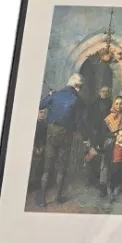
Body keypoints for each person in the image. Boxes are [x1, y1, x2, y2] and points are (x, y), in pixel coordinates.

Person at [36, 73, 86, 207]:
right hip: (67, 136)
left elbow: (40, 105)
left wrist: (49, 95)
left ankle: (42, 200)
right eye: (80, 87)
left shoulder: (55, 95)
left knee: (47, 168)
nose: (80, 90)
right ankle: (57, 198)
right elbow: (79, 123)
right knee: (62, 168)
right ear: (76, 85)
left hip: (51, 134)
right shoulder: (79, 100)